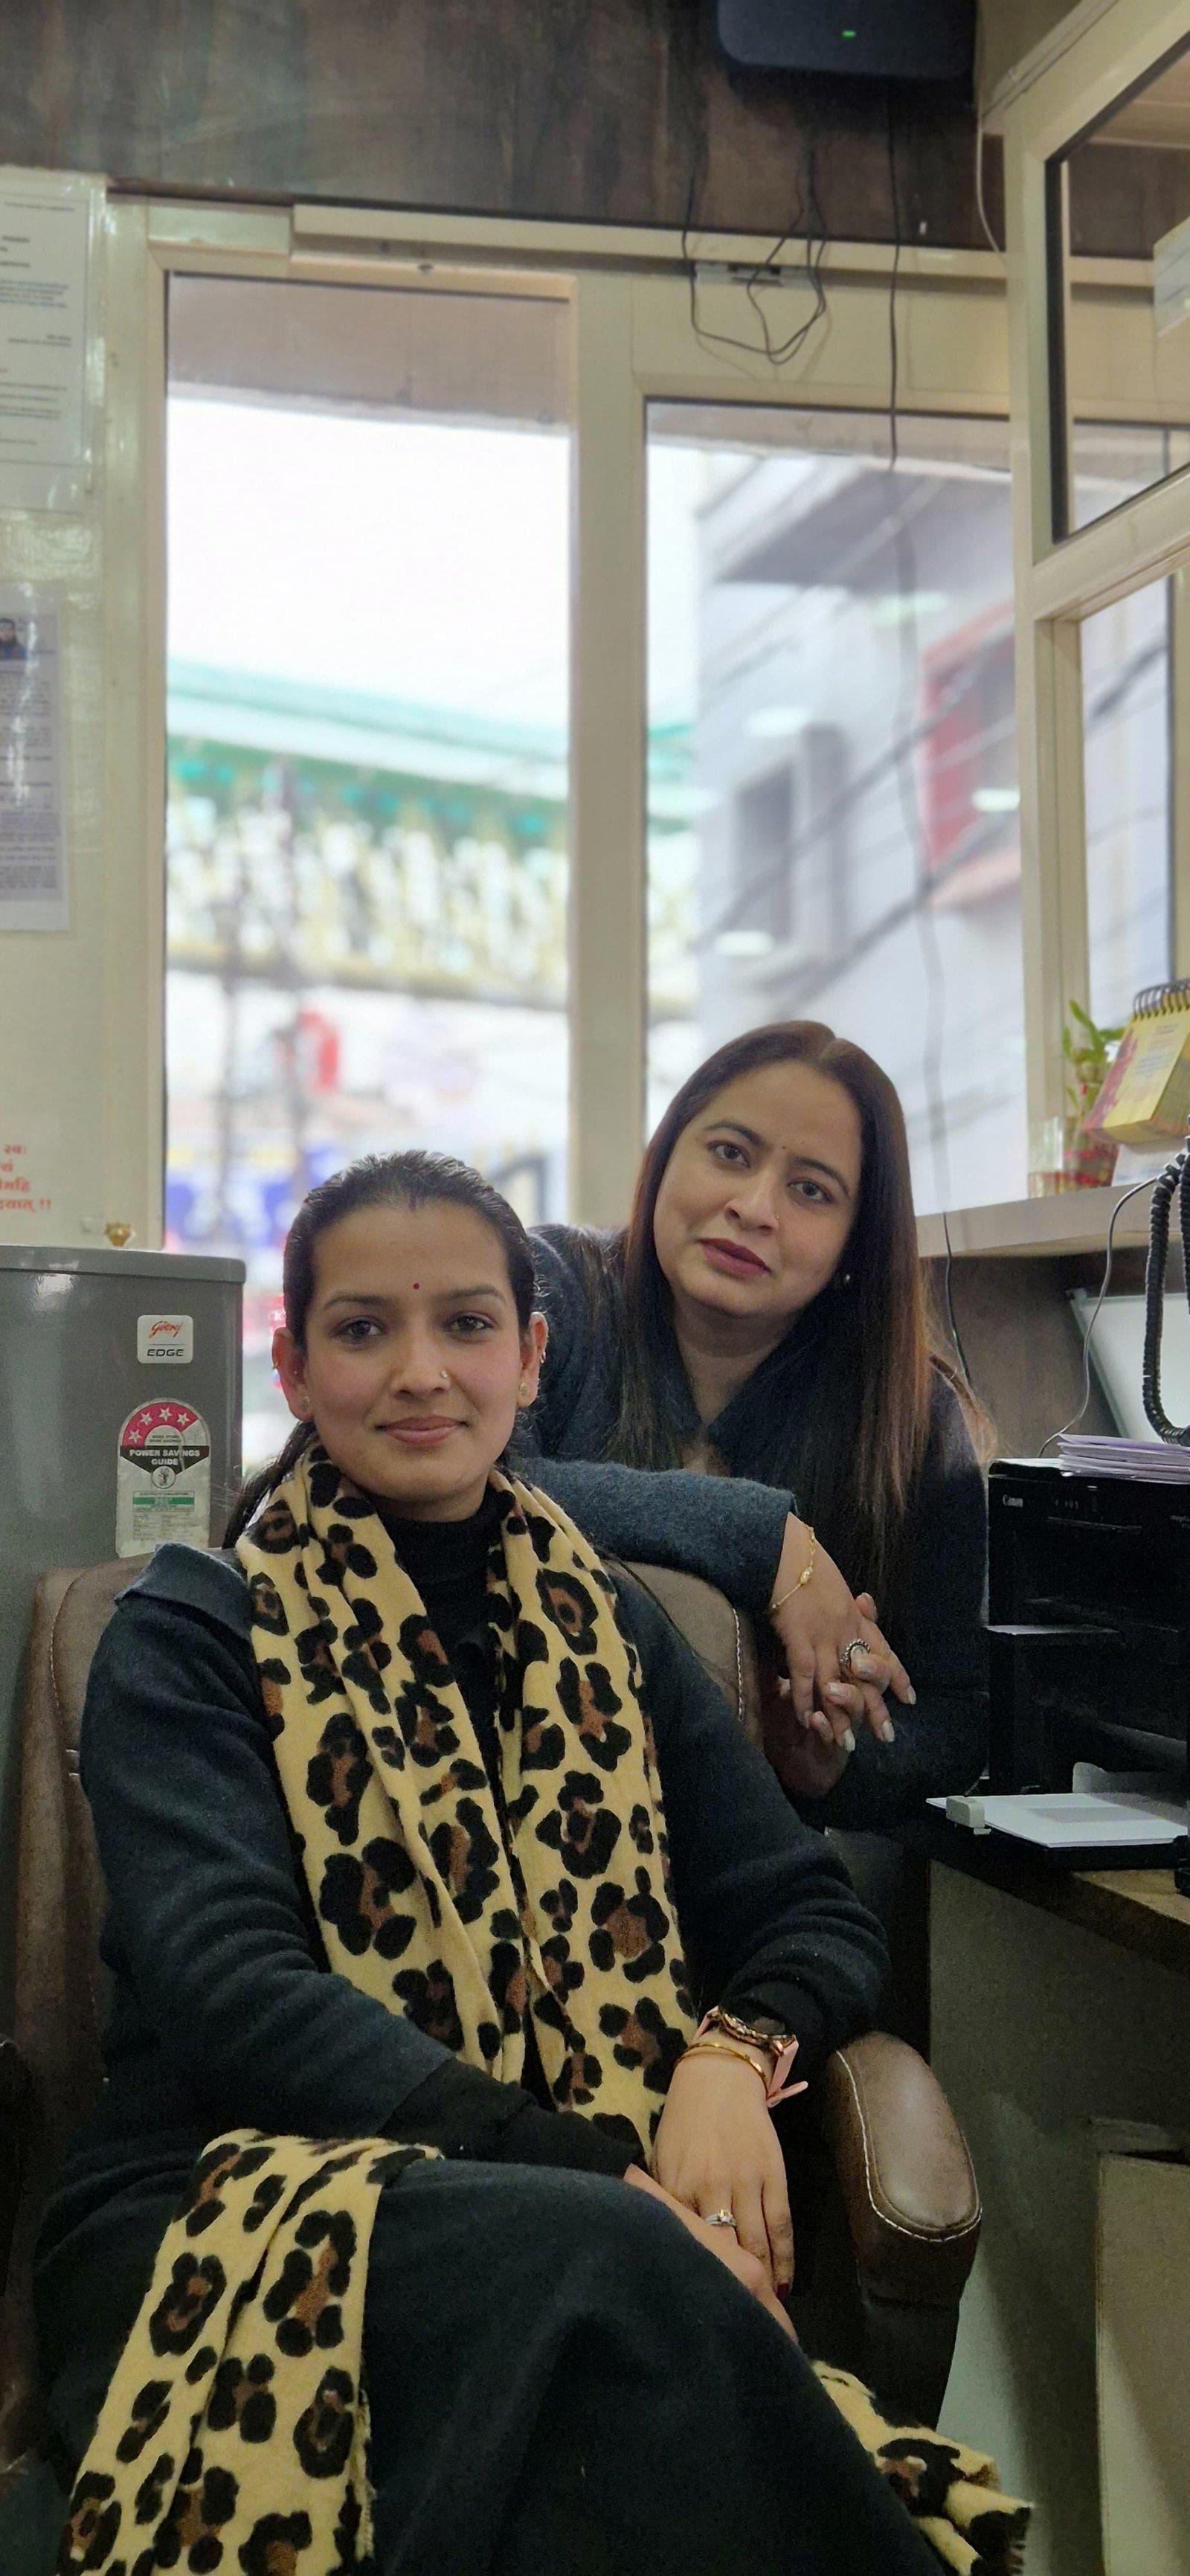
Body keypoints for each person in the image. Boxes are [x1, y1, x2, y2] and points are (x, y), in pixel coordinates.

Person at [33, 1152, 1014, 2576]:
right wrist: (606, 2177)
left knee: (588, 2438)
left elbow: (806, 1907)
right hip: (222, 2207)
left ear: (532, 1356)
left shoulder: (610, 1625)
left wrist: (732, 2056)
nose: (421, 1370)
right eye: (364, 1327)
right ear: (294, 1368)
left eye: (467, 1323)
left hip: (573, 2239)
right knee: (612, 2290)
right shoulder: (192, 1631)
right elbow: (236, 1996)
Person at [515, 1021, 988, 1826]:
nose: (754, 1208)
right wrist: (768, 1542)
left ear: (855, 1241)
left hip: (757, 1863)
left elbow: (955, 1716)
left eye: (812, 1191)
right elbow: (482, 1486)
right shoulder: (551, 1292)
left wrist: (831, 1758)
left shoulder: (910, 1417)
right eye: (730, 1153)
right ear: (665, 1154)